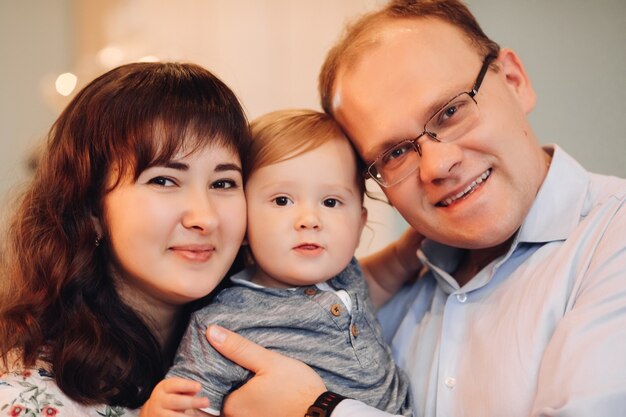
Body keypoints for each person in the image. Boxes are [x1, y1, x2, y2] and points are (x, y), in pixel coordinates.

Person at [202, 1, 626, 416]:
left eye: (450, 111)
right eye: (396, 152)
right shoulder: (381, 293)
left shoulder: (612, 239)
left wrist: (320, 410)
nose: (438, 165)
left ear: (515, 80)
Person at [0, 61, 250, 415]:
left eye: (223, 183)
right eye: (163, 180)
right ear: (91, 210)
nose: (204, 218)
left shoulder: (261, 355)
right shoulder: (27, 397)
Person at [141, 109, 420, 416]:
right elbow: (193, 400)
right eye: (282, 200)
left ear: (359, 224)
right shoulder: (221, 325)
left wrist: (414, 245)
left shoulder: (346, 274)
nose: (309, 220)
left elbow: (383, 277)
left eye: (330, 202)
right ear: (244, 221)